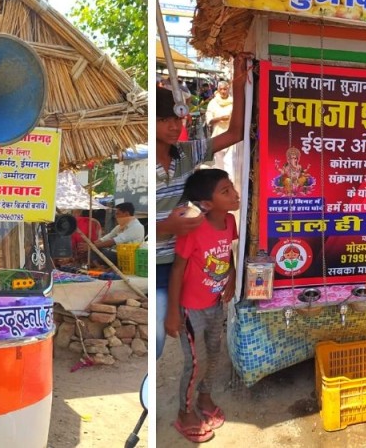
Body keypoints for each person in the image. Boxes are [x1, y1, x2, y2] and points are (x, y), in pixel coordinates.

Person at [156, 54, 249, 360]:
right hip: (158, 263)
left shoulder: (185, 153)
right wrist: (167, 228)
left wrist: (238, 75)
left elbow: (235, 133)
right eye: (165, 120)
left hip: (188, 258)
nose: (174, 126)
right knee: (161, 335)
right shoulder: (137, 167)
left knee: (202, 339)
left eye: (177, 119)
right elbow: (129, 226)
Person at [166, 168, 239, 443]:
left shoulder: (230, 222)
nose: (234, 194)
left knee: (214, 353)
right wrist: (173, 312)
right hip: (190, 308)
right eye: (225, 191)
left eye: (231, 187)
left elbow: (228, 253)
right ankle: (184, 413)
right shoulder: (193, 229)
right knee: (195, 363)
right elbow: (177, 269)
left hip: (215, 303)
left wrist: (231, 276)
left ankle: (205, 398)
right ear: (207, 204)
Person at [204, 81, 240, 188]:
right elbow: (209, 121)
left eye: (225, 89)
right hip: (218, 136)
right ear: (218, 90)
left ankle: (230, 185)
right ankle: (220, 185)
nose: (223, 91)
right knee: (219, 163)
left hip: (232, 136)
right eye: (221, 89)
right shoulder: (213, 103)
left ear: (228, 89)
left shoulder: (234, 102)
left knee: (230, 161)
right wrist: (220, 118)